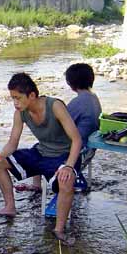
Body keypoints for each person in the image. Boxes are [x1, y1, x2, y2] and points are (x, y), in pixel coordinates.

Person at [0, 72, 82, 242]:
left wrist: (69, 166)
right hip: (40, 152)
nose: (15, 103)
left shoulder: (55, 106)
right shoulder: (20, 112)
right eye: (12, 98)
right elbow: (12, 143)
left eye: (18, 98)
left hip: (64, 156)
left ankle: (59, 230)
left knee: (66, 180)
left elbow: (77, 139)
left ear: (32, 95)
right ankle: (10, 206)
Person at [16, 63, 102, 192]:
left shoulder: (79, 102)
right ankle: (38, 184)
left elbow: (61, 125)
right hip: (89, 146)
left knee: (40, 148)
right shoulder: (92, 97)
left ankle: (37, 186)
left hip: (78, 149)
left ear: (70, 83)